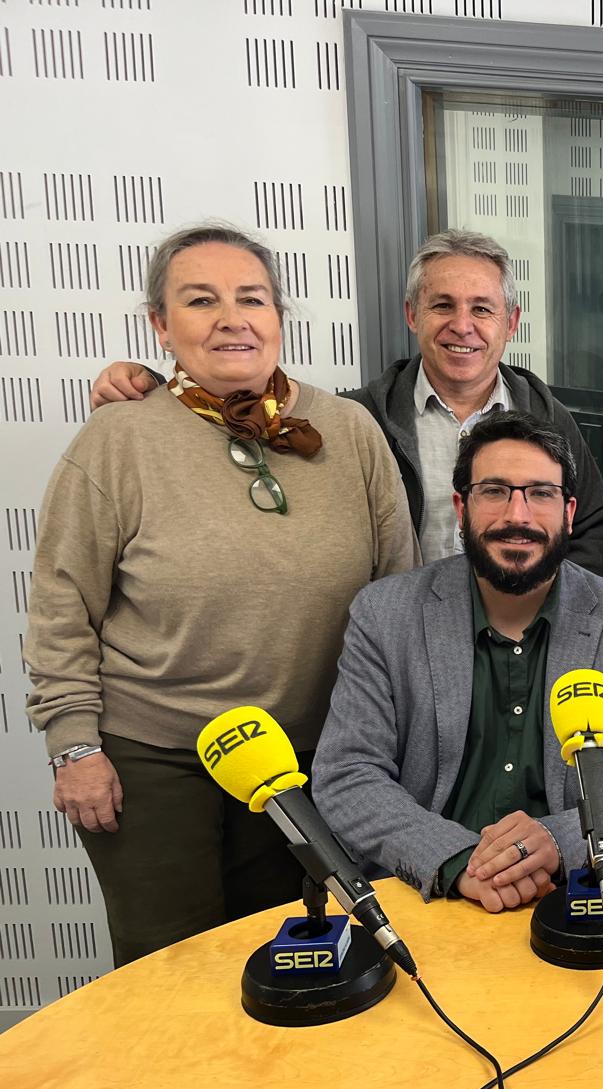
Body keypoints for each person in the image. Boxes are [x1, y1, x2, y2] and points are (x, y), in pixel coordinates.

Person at [25, 224, 419, 966]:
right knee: (167, 975)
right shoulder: (119, 438)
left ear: (278, 317)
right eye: (200, 300)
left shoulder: (350, 431)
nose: (231, 317)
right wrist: (73, 746)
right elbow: (60, 605)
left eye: (252, 298)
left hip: (309, 756)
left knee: (292, 964)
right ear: (160, 326)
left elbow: (397, 592)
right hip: (156, 761)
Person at [314, 411, 603, 910]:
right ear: (461, 508)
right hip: (431, 894)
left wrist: (563, 840)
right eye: (494, 491)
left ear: (569, 512)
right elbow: (348, 773)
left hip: (578, 890)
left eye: (540, 493)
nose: (518, 515)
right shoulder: (385, 615)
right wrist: (455, 859)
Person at [88, 229, 603, 573]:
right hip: (405, 657)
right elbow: (237, 419)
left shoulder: (550, 418)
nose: (463, 326)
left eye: (482, 309)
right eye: (442, 305)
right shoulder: (352, 419)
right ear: (413, 316)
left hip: (525, 642)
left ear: (511, 323)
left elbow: (592, 529)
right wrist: (156, 389)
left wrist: (560, 613)